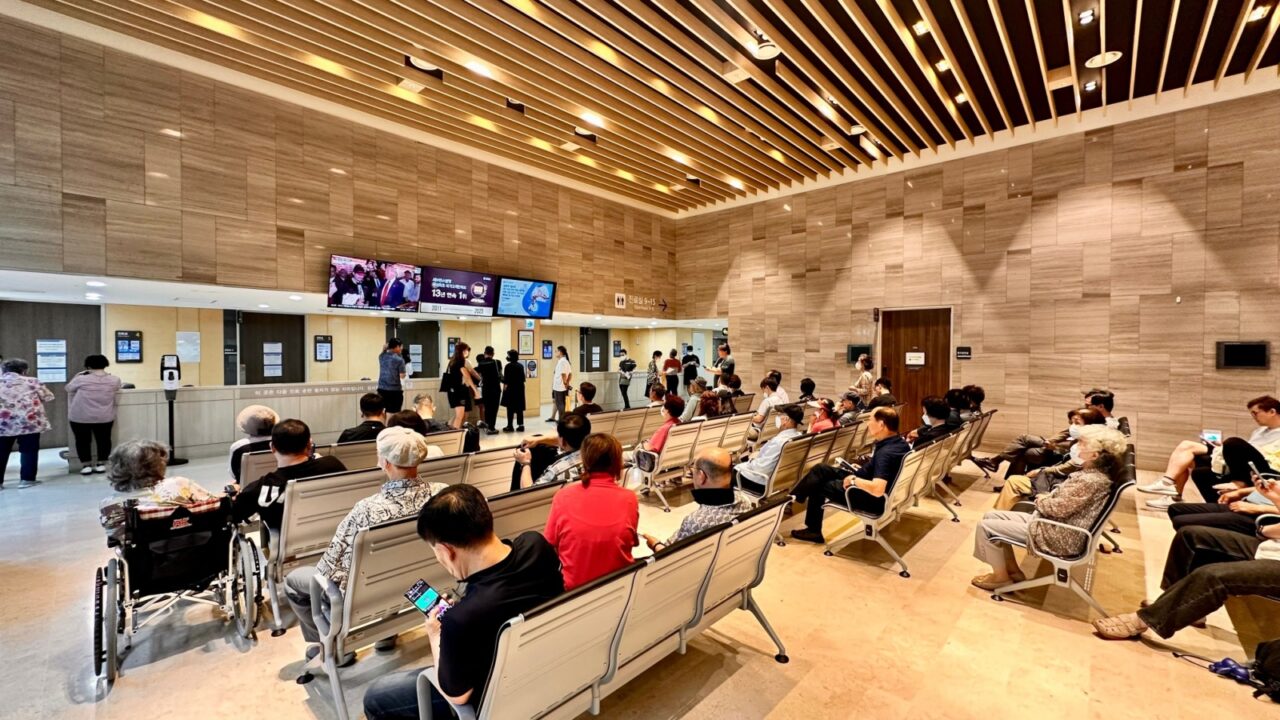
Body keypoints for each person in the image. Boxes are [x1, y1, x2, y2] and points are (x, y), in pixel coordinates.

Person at [361, 485, 564, 720]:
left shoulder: (461, 619)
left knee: (376, 696)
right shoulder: (536, 544)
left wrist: (435, 634)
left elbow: (457, 696)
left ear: (446, 550)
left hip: (496, 701)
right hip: (548, 669)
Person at [285, 427, 446, 660]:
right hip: (424, 587)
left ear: (385, 462)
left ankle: (329, 645)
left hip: (373, 596)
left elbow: (328, 569)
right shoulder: (443, 494)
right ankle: (386, 632)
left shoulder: (367, 510)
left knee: (294, 581)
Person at [1092, 476, 1280, 641]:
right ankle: (1174, 601)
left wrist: (1265, 522)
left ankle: (1143, 620)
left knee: (1214, 575)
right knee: (1190, 535)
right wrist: (1273, 499)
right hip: (1271, 545)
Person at [970, 425, 1128, 590]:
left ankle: (1000, 577)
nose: (1076, 446)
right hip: (1054, 524)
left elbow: (1056, 509)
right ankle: (1012, 571)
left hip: (1060, 536)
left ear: (1095, 455)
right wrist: (1048, 498)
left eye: (1082, 443)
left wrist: (1041, 498)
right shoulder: (1091, 474)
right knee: (991, 516)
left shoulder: (1089, 481)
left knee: (985, 527)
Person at [787, 407, 911, 544]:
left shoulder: (885, 453)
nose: (868, 423)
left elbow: (878, 489)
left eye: (870, 420)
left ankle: (812, 530)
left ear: (881, 424)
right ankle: (795, 497)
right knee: (820, 469)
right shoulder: (900, 444)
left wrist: (854, 480)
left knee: (818, 485)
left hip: (870, 498)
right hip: (870, 484)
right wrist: (864, 469)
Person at [1139, 395, 1280, 510]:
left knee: (1233, 442)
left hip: (1267, 470)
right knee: (1191, 454)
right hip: (1246, 463)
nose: (1253, 417)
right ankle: (1170, 489)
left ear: (1272, 412)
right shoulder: (1259, 431)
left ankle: (1239, 482)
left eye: (1255, 413)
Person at [544, 433, 638, 590]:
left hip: (574, 590)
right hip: (620, 585)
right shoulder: (629, 498)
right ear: (617, 461)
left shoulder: (563, 496)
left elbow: (550, 545)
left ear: (585, 460)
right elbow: (629, 542)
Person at [232, 419, 347, 531]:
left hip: (290, 542)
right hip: (337, 536)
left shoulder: (260, 489)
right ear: (309, 445)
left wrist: (232, 495)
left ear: (272, 447)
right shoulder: (333, 464)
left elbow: (232, 516)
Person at [99, 440, 220, 542]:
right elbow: (215, 506)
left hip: (145, 557)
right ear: (157, 465)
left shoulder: (110, 505)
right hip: (193, 546)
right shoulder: (179, 484)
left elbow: (115, 534)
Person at [992, 408, 1107, 510]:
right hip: (1064, 475)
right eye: (1072, 423)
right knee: (1024, 450)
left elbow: (1068, 468)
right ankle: (1003, 516)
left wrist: (1042, 470)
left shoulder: (1091, 446)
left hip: (1062, 482)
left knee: (1015, 477)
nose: (1072, 426)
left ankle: (1000, 516)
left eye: (1076, 423)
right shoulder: (1085, 440)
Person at [644, 448, 753, 553]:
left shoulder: (696, 522)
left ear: (701, 476)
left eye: (693, 470)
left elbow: (668, 556)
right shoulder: (745, 501)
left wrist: (655, 544)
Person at [0, 358, 55, 489]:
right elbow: (48, 397)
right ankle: (27, 479)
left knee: (1, 451)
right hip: (29, 423)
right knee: (29, 451)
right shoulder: (32, 381)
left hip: (3, 424)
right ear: (24, 370)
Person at [66, 354, 123, 475]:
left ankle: (86, 465)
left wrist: (78, 375)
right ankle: (101, 464)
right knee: (104, 440)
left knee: (82, 441)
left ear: (88, 366)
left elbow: (68, 388)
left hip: (80, 416)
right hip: (104, 416)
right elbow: (118, 388)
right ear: (105, 364)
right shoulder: (115, 379)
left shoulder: (81, 379)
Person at [735, 404, 804, 493]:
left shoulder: (779, 442)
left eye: (779, 415)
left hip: (762, 483)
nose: (777, 418)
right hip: (783, 481)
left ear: (786, 420)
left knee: (730, 472)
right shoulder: (799, 436)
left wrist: (752, 460)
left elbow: (761, 469)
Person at [512, 413, 590, 488]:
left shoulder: (555, 471)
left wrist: (525, 463)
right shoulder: (595, 452)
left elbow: (529, 492)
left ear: (563, 440)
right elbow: (571, 437)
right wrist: (539, 439)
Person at [228, 404, 280, 482]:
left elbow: (233, 473)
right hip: (278, 484)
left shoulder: (238, 447)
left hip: (248, 487)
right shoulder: (283, 441)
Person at [442, 342, 480, 430]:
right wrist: (475, 390)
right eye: (466, 350)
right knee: (460, 415)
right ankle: (454, 433)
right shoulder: (461, 361)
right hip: (458, 390)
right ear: (463, 351)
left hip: (457, 390)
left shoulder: (453, 361)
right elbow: (467, 376)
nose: (468, 352)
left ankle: (452, 429)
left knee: (463, 413)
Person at [473, 346, 502, 435]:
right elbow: (500, 374)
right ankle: (492, 427)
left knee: (487, 408)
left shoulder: (481, 363)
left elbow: (476, 373)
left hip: (486, 389)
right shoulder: (497, 362)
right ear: (493, 354)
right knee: (494, 409)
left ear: (485, 353)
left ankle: (487, 427)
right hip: (496, 389)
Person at [377, 339, 408, 412]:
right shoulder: (399, 360)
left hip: (381, 389)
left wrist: (384, 349)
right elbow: (402, 375)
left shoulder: (381, 356)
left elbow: (383, 352)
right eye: (401, 347)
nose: (401, 349)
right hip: (394, 391)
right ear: (397, 346)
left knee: (382, 411)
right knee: (394, 413)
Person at [500, 349, 526, 432]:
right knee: (519, 408)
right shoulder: (520, 366)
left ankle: (510, 425)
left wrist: (501, 380)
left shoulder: (508, 366)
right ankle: (521, 425)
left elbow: (506, 380)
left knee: (510, 408)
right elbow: (523, 378)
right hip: (520, 389)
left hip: (511, 389)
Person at [548, 346, 572, 423]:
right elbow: (570, 374)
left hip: (559, 387)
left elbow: (563, 374)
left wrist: (565, 383)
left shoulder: (562, 362)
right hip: (561, 387)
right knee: (561, 403)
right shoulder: (565, 361)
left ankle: (561, 420)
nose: (555, 352)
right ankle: (560, 419)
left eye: (556, 351)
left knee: (560, 404)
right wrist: (567, 383)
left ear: (560, 352)